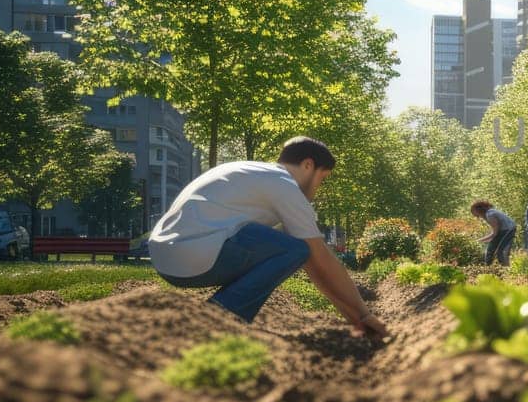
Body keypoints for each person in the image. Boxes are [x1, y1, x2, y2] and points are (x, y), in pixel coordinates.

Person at [148, 137, 386, 338]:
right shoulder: (284, 186)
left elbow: (313, 264)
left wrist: (354, 317)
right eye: (321, 179)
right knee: (297, 248)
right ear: (308, 165)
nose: (317, 189)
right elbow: (319, 258)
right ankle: (217, 319)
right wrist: (364, 314)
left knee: (294, 246)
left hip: (167, 257)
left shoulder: (250, 170)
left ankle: (220, 313)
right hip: (193, 256)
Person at [472, 200, 517, 266]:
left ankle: (505, 269)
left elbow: (494, 233)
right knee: (490, 250)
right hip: (502, 231)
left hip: (508, 230)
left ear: (479, 210)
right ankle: (488, 267)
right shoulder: (490, 213)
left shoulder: (490, 215)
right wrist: (485, 240)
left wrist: (478, 241)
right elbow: (494, 233)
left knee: (501, 252)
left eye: (474, 211)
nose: (474, 214)